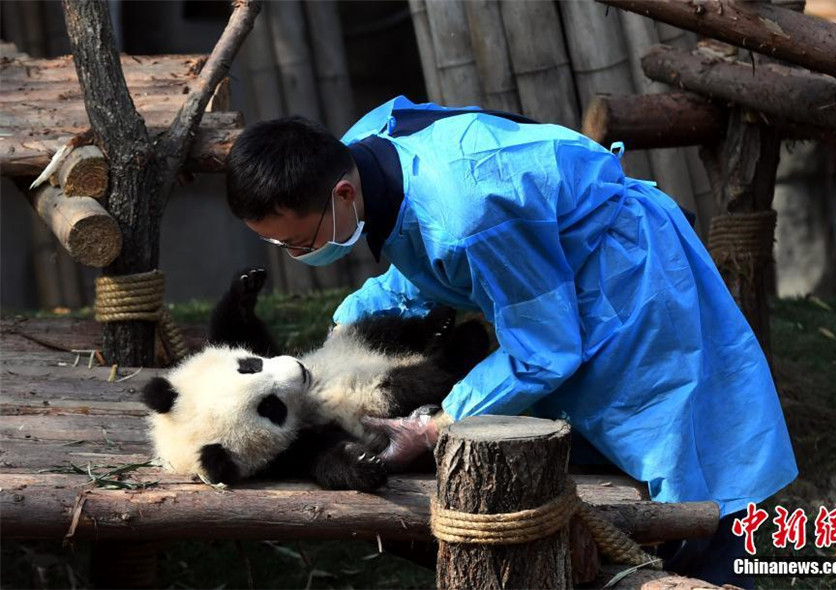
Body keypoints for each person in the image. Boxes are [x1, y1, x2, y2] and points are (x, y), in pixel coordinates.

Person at [225, 96, 797, 585]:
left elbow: (543, 350)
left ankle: (709, 574)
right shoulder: (362, 149)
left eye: (299, 241)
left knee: (688, 460)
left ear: (343, 195)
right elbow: (418, 250)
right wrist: (347, 328)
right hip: (551, 279)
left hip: (630, 285)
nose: (297, 254)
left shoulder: (473, 211)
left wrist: (431, 425)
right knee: (577, 444)